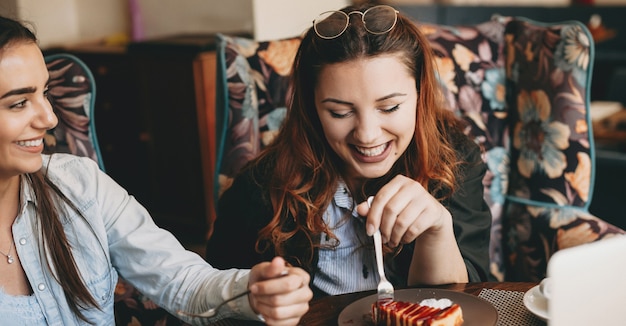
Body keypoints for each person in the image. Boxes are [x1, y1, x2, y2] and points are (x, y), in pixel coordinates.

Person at [0, 15, 311, 325]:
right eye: (18, 103)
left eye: (44, 93)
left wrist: (252, 292)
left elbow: (181, 281)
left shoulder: (80, 184)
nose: (49, 119)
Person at [205, 3, 492, 298]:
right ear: (312, 108)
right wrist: (256, 294)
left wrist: (437, 229)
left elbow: (465, 302)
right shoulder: (261, 186)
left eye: (390, 107)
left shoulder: (456, 160)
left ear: (421, 95)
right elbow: (214, 292)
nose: (367, 135)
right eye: (340, 112)